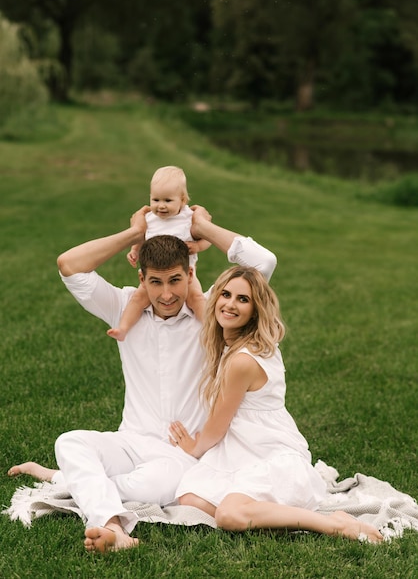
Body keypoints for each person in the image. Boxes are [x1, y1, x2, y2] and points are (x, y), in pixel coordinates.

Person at [8, 205, 277, 553]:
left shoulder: (212, 312)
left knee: (146, 487)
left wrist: (202, 227)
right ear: (141, 278)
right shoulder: (123, 308)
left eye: (175, 281)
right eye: (155, 282)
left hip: (179, 455)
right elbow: (69, 265)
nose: (166, 294)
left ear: (190, 275)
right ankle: (113, 528)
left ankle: (74, 490)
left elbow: (264, 263)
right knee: (70, 442)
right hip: (131, 440)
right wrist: (134, 234)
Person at [169, 266, 383, 543]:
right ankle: (275, 514)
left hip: (272, 456)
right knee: (190, 500)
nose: (230, 304)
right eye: (225, 294)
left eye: (242, 299)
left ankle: (333, 524)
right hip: (244, 451)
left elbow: (217, 427)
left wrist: (193, 447)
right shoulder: (242, 339)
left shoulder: (242, 360)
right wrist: (190, 277)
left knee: (227, 516)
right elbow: (204, 304)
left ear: (255, 310)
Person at [107, 166, 210, 341]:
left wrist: (198, 246)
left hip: (185, 272)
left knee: (196, 298)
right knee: (139, 297)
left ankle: (210, 329)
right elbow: (141, 237)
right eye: (155, 200)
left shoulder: (188, 217)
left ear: (182, 200)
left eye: (168, 200)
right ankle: (123, 328)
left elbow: (208, 238)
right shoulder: (148, 219)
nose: (161, 206)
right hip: (155, 273)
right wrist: (134, 250)